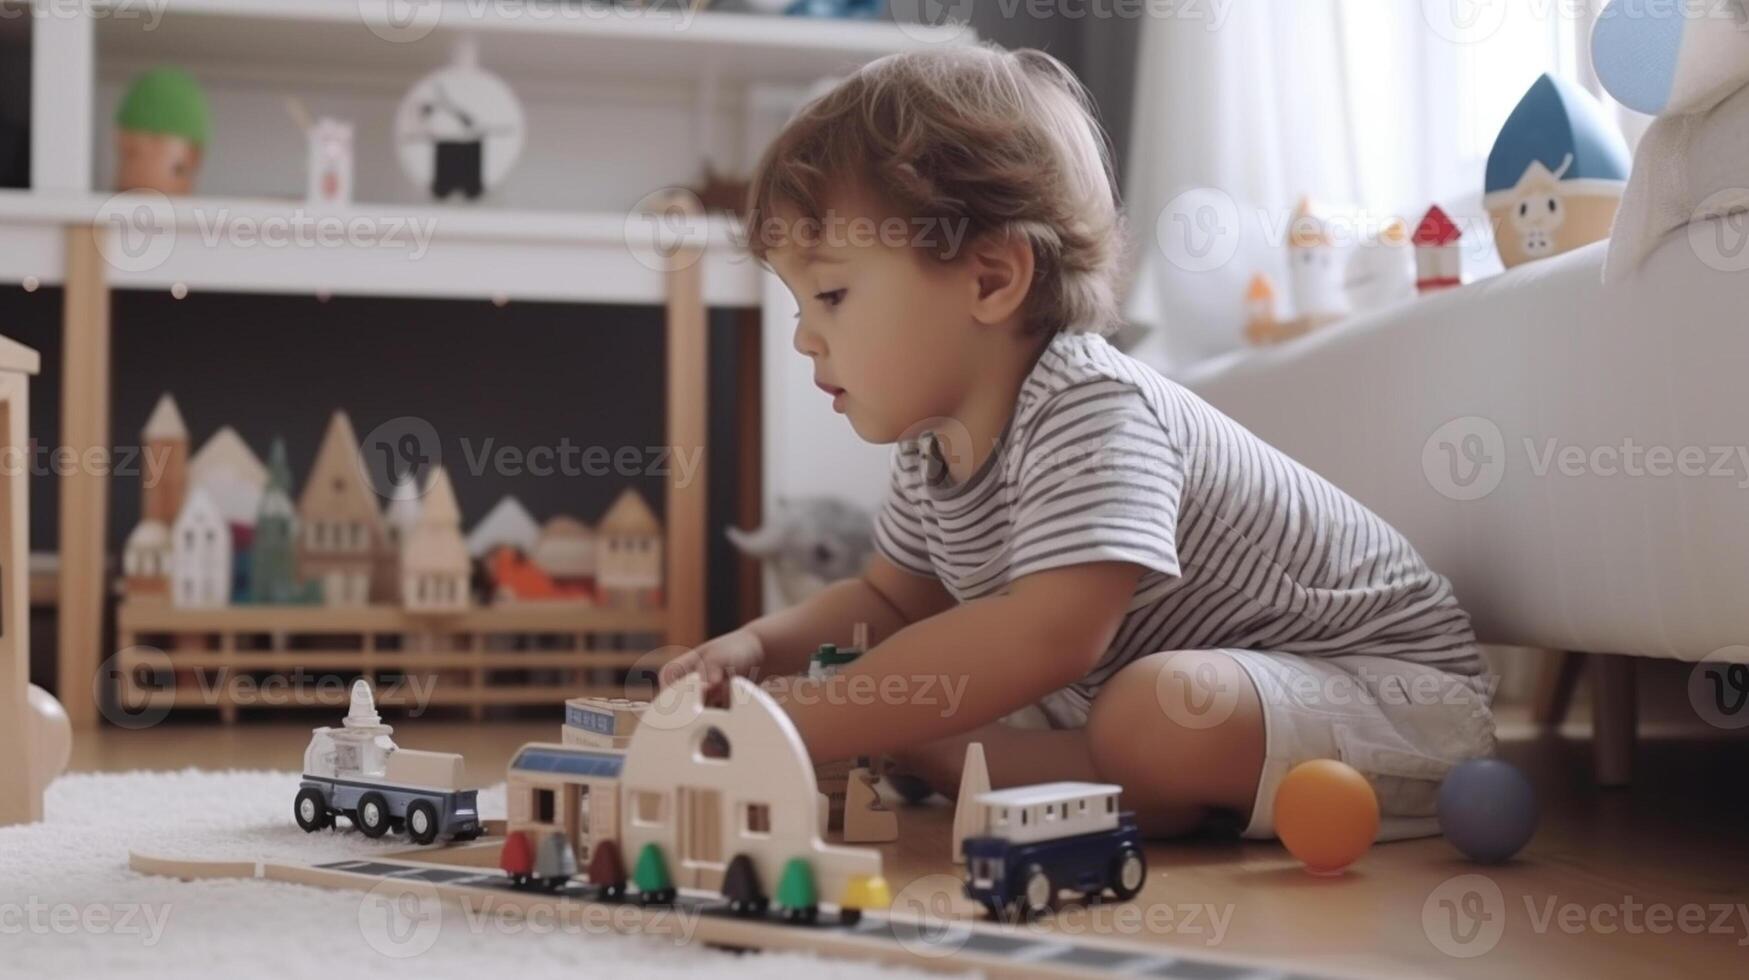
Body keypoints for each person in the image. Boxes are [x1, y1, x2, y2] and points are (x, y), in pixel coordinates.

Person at [660, 45, 1495, 841]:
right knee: (992, 689)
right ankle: (1084, 781)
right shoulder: (930, 448)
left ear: (990, 277)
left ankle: (1058, 774)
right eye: (800, 305)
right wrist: (760, 648)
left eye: (832, 295)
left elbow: (1049, 636)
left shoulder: (1092, 406)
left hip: (1385, 691)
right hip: (1208, 689)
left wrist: (799, 718)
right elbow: (889, 605)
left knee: (1146, 711)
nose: (805, 338)